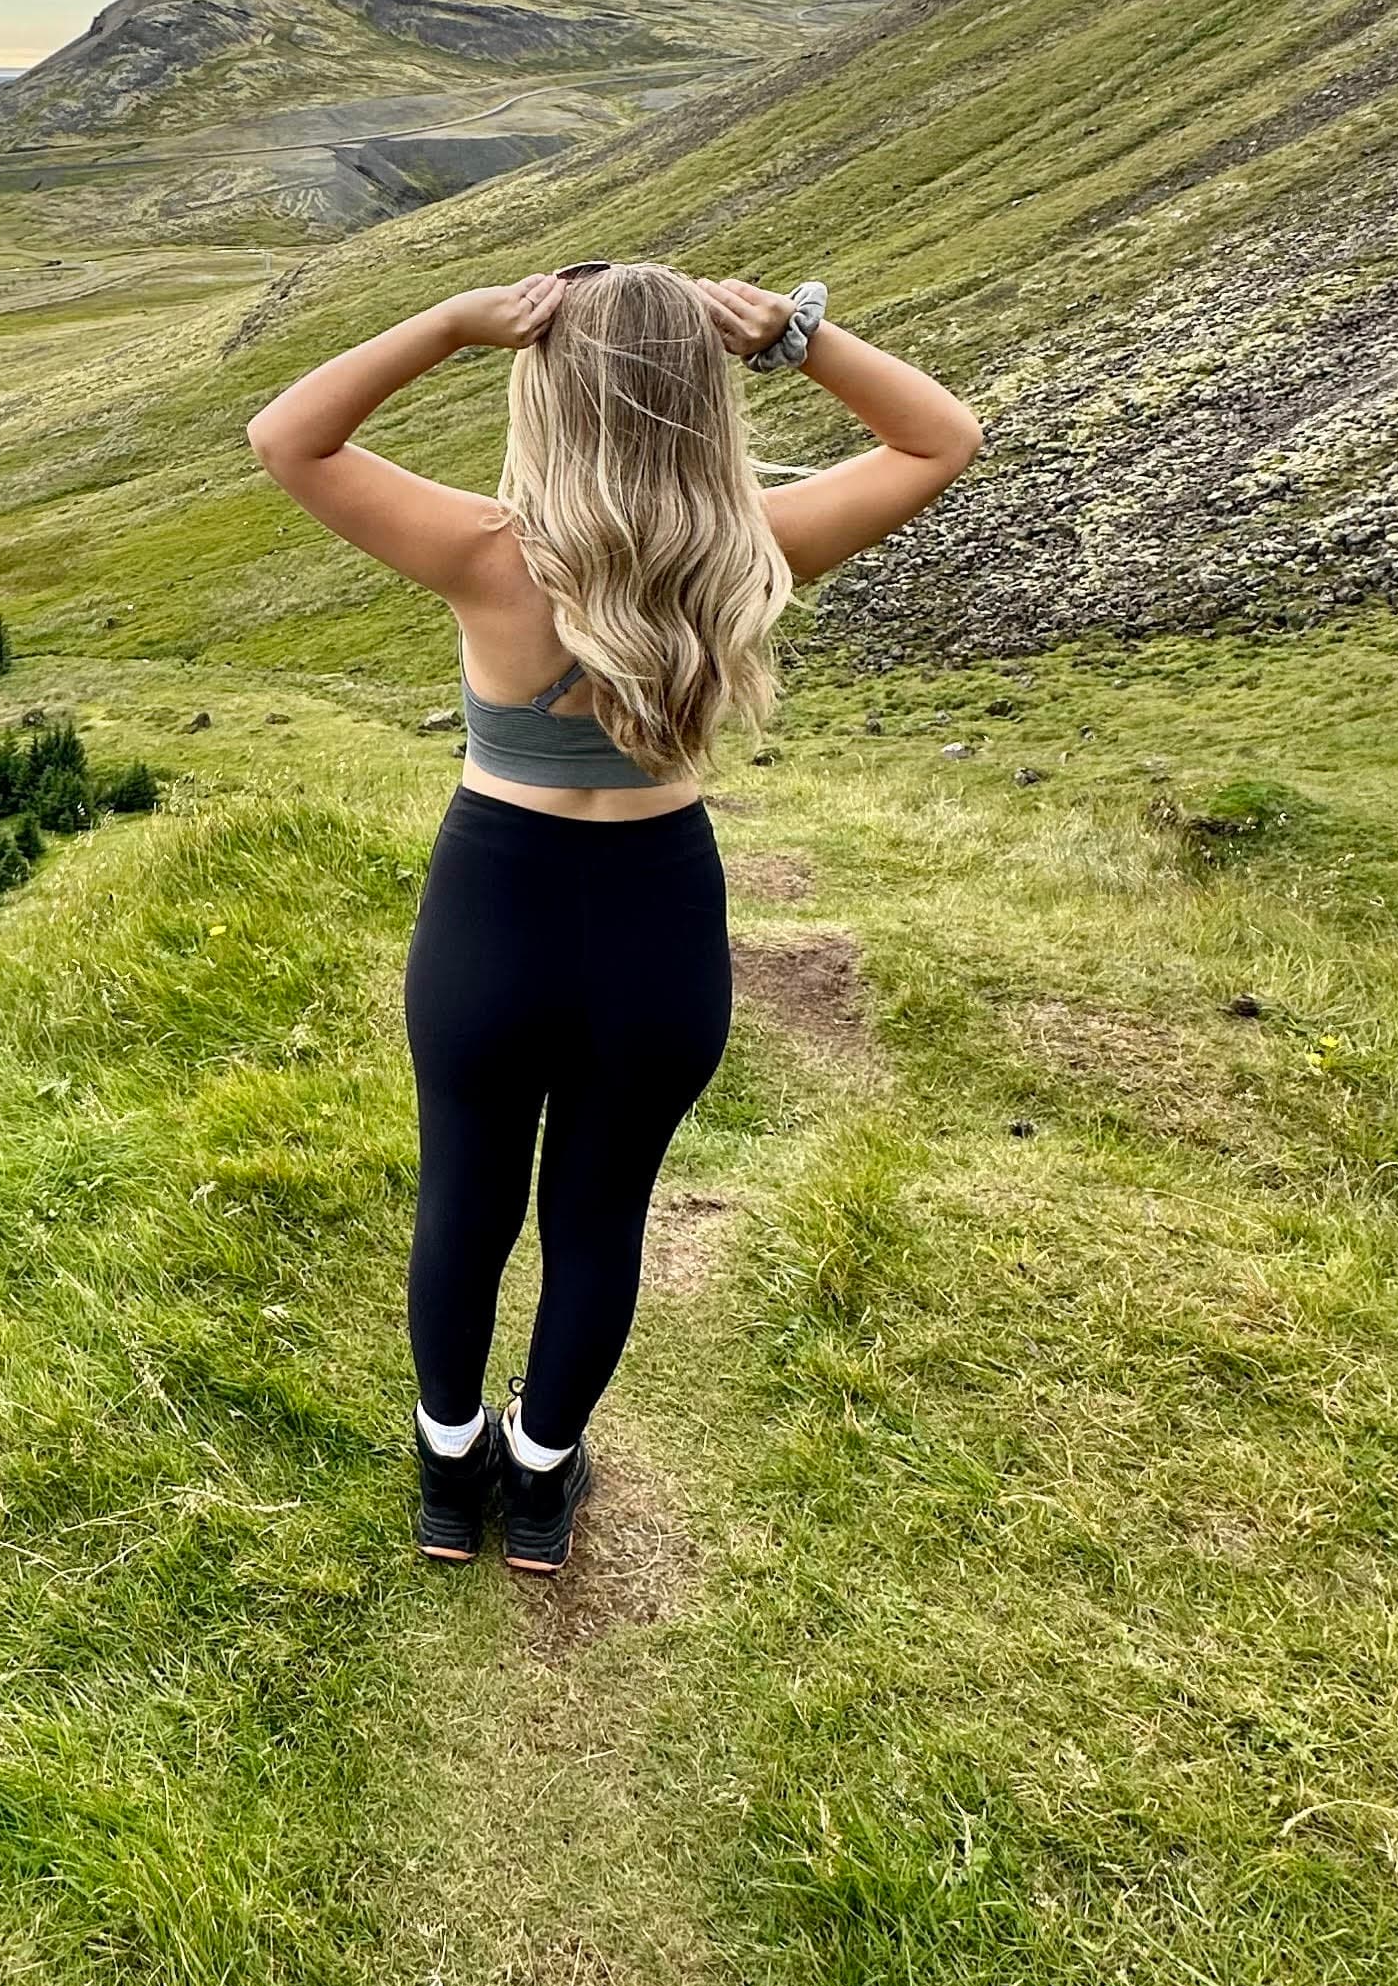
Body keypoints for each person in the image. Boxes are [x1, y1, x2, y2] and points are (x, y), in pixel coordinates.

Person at [246, 262, 982, 1576]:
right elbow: (942, 434)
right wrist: (796, 340)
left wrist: (454, 324)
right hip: (657, 925)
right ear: (707, 394)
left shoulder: (486, 553)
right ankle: (540, 1487)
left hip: (492, 910)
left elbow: (287, 434)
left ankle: (443, 1476)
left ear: (545, 394)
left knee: (464, 1202)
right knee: (601, 1214)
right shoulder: (751, 541)